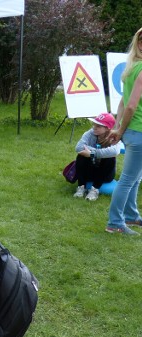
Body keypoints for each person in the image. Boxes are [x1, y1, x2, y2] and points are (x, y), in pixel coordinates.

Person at [106, 27, 142, 235]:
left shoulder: (132, 67)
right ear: (139, 44)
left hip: (132, 132)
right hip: (138, 132)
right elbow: (130, 105)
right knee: (128, 179)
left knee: (135, 178)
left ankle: (130, 215)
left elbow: (122, 101)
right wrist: (118, 130)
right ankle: (115, 222)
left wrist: (117, 127)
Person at [72, 113, 119, 201]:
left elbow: (115, 151)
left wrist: (92, 153)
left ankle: (95, 189)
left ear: (107, 128)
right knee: (81, 155)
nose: (94, 127)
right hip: (90, 170)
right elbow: (78, 147)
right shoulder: (90, 133)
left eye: (99, 126)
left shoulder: (114, 136)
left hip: (105, 174)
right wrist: (93, 153)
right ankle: (81, 187)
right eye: (94, 124)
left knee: (110, 157)